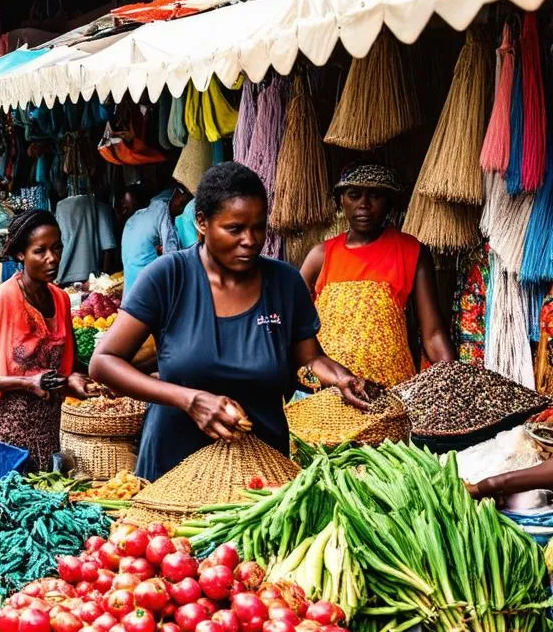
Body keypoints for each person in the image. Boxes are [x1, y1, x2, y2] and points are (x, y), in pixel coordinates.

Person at [90, 162, 369, 481]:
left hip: (260, 472)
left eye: (259, 227)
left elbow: (312, 357)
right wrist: (190, 399)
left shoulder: (284, 283)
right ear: (202, 223)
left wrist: (342, 379)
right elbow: (104, 362)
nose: (250, 240)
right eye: (235, 229)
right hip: (174, 468)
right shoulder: (168, 278)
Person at [299, 163, 455, 387]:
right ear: (340, 201)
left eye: (375, 195)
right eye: (354, 195)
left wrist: (454, 379)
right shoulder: (320, 256)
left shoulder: (411, 252)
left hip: (391, 391)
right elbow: (295, 332)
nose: (363, 205)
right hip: (329, 394)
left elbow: (432, 333)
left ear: (390, 202)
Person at [0, 210, 96, 470]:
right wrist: (28, 383)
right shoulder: (2, 300)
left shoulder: (60, 299)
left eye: (57, 247)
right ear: (20, 255)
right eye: (40, 251)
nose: (53, 258)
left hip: (44, 426)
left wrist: (72, 380)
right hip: (0, 429)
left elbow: (64, 367)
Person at [120, 182, 179, 297]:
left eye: (126, 206)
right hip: (150, 294)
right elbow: (171, 253)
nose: (123, 209)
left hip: (129, 296)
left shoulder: (129, 222)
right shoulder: (160, 207)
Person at [54, 191, 116, 285]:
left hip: (63, 275)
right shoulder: (100, 207)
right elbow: (108, 246)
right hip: (90, 276)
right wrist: (104, 277)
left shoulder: (61, 207)